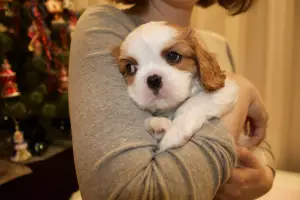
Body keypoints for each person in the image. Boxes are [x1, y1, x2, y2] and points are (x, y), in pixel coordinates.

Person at [69, 0, 275, 199]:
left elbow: (255, 139)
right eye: (132, 68)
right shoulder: (105, 27)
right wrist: (238, 90)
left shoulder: (219, 43)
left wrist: (267, 176)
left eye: (173, 57)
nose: (152, 76)